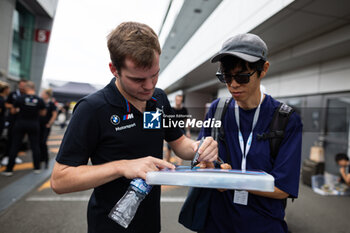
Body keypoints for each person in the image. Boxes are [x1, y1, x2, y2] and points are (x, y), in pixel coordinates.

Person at [50, 21, 218, 233]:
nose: (149, 86)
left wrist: (201, 147)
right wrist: (122, 166)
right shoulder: (93, 109)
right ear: (114, 70)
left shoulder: (158, 99)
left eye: (155, 74)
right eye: (137, 79)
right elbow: (60, 179)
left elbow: (180, 143)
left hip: (150, 223)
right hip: (109, 226)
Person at [197, 33, 303, 233]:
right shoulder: (217, 110)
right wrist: (206, 164)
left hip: (264, 225)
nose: (233, 84)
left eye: (242, 76)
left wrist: (230, 180)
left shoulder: (286, 119)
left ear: (263, 69)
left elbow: (283, 188)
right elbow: (199, 160)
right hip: (217, 224)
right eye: (226, 77)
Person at [2, 81, 46, 176]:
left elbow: (13, 111)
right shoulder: (39, 100)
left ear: (26, 88)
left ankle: (9, 170)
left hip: (20, 123)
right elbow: (43, 113)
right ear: (34, 88)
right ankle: (37, 168)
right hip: (34, 124)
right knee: (35, 146)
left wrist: (20, 110)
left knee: (15, 146)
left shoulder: (20, 98)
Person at [1, 79, 27, 166]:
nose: (22, 87)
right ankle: (6, 156)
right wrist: (15, 107)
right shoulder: (13, 94)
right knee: (10, 138)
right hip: (12, 120)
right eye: (21, 85)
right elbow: (6, 104)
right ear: (19, 85)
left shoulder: (27, 96)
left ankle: (14, 156)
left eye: (24, 85)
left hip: (22, 121)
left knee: (19, 140)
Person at [164, 94, 191, 165]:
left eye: (180, 100)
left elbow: (187, 121)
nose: (178, 101)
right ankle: (166, 164)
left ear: (181, 101)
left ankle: (179, 165)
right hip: (172, 130)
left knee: (181, 150)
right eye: (177, 100)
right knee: (169, 149)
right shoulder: (171, 109)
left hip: (182, 131)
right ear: (175, 100)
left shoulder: (184, 110)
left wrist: (188, 131)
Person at [39, 88, 58, 168]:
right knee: (38, 143)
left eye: (43, 93)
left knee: (43, 142)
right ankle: (41, 158)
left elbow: (54, 114)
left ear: (47, 95)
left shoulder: (51, 104)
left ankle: (46, 160)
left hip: (46, 126)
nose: (41, 95)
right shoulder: (40, 102)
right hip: (38, 125)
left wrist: (50, 123)